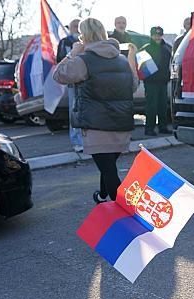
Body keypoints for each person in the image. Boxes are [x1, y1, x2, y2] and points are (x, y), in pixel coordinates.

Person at [52, 17, 138, 204]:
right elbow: (133, 86)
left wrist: (71, 54)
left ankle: (125, 215)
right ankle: (102, 195)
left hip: (96, 126)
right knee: (109, 166)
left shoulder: (83, 60)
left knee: (109, 170)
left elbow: (58, 75)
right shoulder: (122, 59)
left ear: (84, 37)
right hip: (121, 125)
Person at [57, 18, 84, 152]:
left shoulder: (87, 41)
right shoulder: (65, 42)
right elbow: (60, 60)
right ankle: (77, 142)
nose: (77, 28)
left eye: (79, 26)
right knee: (74, 112)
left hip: (87, 81)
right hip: (74, 83)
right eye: (74, 26)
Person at [140, 26, 172, 136]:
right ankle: (149, 128)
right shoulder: (145, 48)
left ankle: (163, 127)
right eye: (154, 34)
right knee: (151, 106)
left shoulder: (168, 48)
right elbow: (141, 66)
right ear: (151, 35)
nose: (157, 37)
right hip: (150, 82)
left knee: (163, 106)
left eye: (159, 35)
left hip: (163, 81)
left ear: (162, 35)